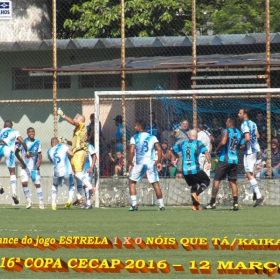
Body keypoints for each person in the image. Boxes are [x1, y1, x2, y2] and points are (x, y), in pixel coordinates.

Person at [57, 108, 94, 210]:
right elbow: (74, 144)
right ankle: (80, 198)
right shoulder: (77, 132)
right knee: (77, 176)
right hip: (76, 153)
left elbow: (73, 122)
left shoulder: (81, 125)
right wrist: (65, 141)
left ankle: (90, 187)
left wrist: (63, 115)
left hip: (79, 153)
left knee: (77, 174)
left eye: (77, 118)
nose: (75, 119)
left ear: (81, 120)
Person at [205, 117, 244, 211]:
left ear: (230, 123)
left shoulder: (226, 130)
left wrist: (216, 150)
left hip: (224, 159)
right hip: (234, 160)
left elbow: (223, 142)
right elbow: (242, 145)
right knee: (232, 181)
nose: (225, 122)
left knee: (216, 181)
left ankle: (212, 203)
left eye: (226, 121)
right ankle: (235, 204)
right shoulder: (239, 132)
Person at [128, 120, 165, 211]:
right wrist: (159, 162)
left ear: (139, 127)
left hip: (139, 164)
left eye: (136, 125)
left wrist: (130, 163)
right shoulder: (152, 137)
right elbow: (159, 149)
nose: (134, 127)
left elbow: (131, 151)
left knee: (132, 182)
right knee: (155, 184)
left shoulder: (134, 137)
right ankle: (161, 205)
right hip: (150, 163)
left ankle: (134, 204)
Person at [171, 129, 211, 211]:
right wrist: (209, 162)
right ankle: (196, 194)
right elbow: (206, 152)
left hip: (185, 171)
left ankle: (195, 206)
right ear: (196, 136)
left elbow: (171, 149)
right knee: (206, 181)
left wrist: (177, 156)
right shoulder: (198, 143)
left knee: (194, 185)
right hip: (195, 169)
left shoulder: (183, 143)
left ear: (188, 136)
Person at [238, 107, 264, 207]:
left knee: (248, 174)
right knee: (249, 174)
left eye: (240, 113)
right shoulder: (253, 123)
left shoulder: (244, 124)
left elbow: (247, 138)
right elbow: (257, 135)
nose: (238, 114)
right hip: (256, 149)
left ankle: (258, 196)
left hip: (250, 151)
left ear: (245, 115)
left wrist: (241, 143)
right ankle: (255, 192)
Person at [15, 127, 44, 209]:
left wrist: (40, 161)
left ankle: (41, 202)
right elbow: (16, 152)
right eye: (30, 132)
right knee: (24, 183)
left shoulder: (38, 142)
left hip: (34, 167)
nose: (31, 133)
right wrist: (21, 161)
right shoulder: (23, 142)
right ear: (27, 133)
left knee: (37, 184)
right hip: (25, 167)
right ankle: (28, 201)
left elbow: (39, 153)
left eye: (33, 132)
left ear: (34, 133)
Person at [0, 120, 27, 205]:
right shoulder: (15, 131)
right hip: (8, 149)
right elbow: (22, 141)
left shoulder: (1, 131)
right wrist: (27, 151)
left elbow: (5, 140)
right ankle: (14, 193)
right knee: (12, 172)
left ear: (4, 126)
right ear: (11, 125)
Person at [47, 137, 75, 210]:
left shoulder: (49, 151)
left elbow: (51, 160)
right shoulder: (62, 146)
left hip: (57, 171)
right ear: (58, 143)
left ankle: (53, 204)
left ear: (51, 144)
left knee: (54, 185)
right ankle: (69, 200)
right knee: (71, 185)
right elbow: (71, 154)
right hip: (66, 171)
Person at [73, 139, 97, 206]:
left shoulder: (89, 146)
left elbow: (94, 156)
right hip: (80, 169)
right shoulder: (77, 147)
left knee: (86, 185)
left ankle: (88, 203)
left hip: (87, 168)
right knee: (80, 185)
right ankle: (80, 199)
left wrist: (91, 167)